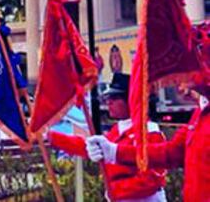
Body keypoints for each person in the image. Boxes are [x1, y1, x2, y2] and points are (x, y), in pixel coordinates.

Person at [87, 22, 210, 202]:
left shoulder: (151, 129)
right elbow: (171, 153)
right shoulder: (200, 112)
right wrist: (114, 151)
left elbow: (151, 180)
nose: (182, 69)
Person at [48, 73, 167, 201]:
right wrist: (51, 137)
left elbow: (151, 180)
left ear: (131, 100)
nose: (109, 102)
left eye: (115, 98)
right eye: (108, 98)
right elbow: (88, 147)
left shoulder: (149, 133)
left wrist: (114, 190)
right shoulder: (118, 130)